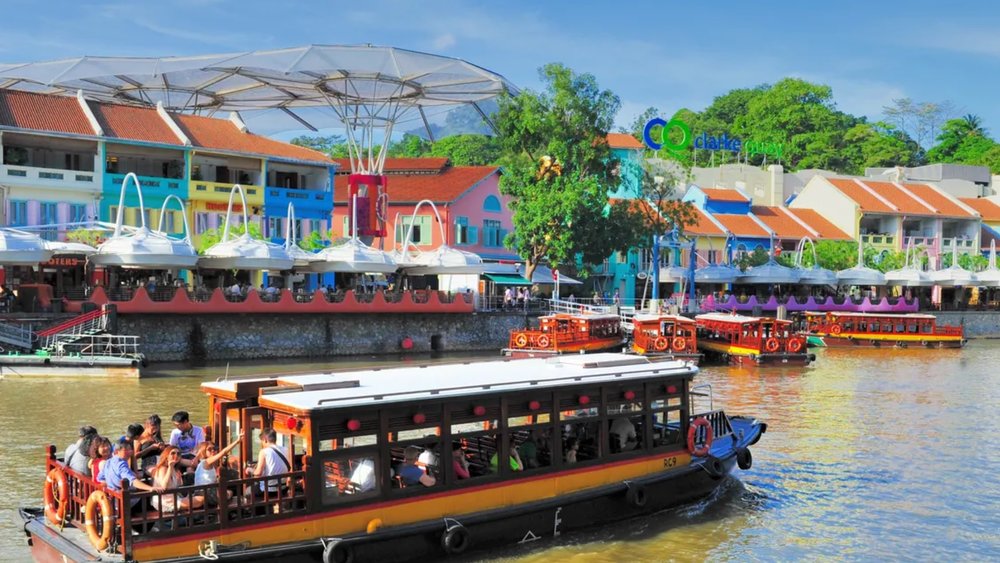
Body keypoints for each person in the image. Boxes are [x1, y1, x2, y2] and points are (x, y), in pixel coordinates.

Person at [97, 437, 164, 498]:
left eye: (130, 450)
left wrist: (112, 485)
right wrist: (150, 488)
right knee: (150, 498)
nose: (130, 452)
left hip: (113, 498)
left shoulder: (108, 461)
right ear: (116, 452)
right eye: (126, 450)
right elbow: (133, 481)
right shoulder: (121, 464)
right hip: (125, 500)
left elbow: (100, 478)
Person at [191, 431, 243, 507]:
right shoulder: (206, 462)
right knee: (229, 493)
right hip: (204, 492)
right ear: (204, 452)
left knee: (230, 490)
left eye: (215, 448)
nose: (213, 450)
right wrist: (237, 442)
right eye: (209, 449)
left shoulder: (211, 464)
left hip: (209, 490)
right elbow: (223, 452)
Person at [150, 446, 196, 512]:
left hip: (173, 498)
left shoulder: (175, 469)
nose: (176, 455)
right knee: (199, 501)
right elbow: (164, 486)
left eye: (178, 454)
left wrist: (179, 478)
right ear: (167, 456)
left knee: (199, 498)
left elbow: (178, 486)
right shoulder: (162, 468)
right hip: (164, 501)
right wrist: (170, 467)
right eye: (173, 453)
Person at [248, 428, 292, 495]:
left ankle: (263, 505)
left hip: (268, 490)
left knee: (247, 492)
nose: (262, 444)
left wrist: (249, 470)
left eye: (262, 441)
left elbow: (258, 473)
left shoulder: (264, 452)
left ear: (265, 440)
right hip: (283, 489)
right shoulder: (286, 449)